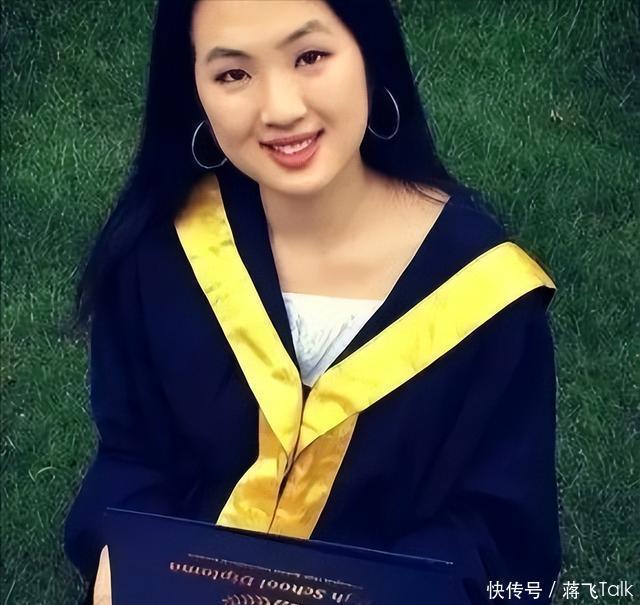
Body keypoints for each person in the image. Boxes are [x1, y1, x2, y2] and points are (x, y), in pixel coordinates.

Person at [64, 1, 563, 603]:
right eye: (233, 73)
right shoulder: (161, 252)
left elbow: (501, 534)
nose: (281, 109)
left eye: (310, 56)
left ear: (370, 53)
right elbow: (133, 456)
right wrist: (121, 554)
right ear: (192, 87)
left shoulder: (488, 296)